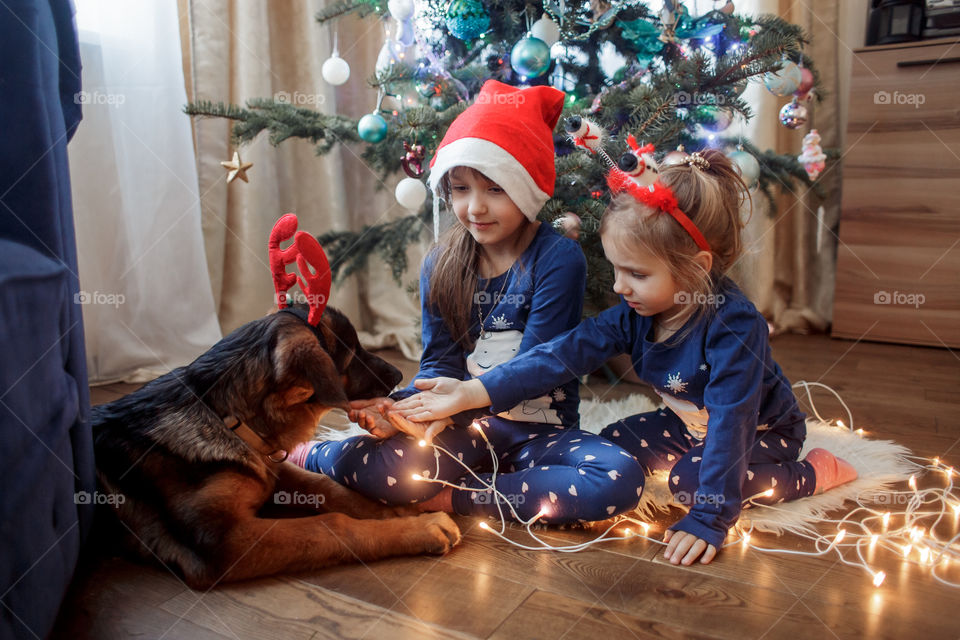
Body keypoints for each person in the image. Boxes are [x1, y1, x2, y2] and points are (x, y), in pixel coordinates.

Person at [393, 148, 857, 564]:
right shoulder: (636, 312)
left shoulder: (734, 327)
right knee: (613, 442)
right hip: (686, 425)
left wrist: (711, 519)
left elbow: (732, 425)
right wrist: (474, 392)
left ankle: (812, 473)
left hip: (762, 430)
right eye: (615, 268)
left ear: (696, 268)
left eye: (635, 273)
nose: (618, 286)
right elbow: (561, 354)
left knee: (691, 484)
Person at [290, 80, 644, 524]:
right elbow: (439, 362)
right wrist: (407, 412)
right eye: (460, 189)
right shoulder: (441, 263)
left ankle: (453, 497)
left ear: (527, 188)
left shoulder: (558, 258)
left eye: (495, 189)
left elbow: (539, 366)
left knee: (617, 477)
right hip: (461, 430)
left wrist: (455, 403)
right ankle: (315, 455)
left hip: (540, 434)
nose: (475, 207)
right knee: (395, 468)